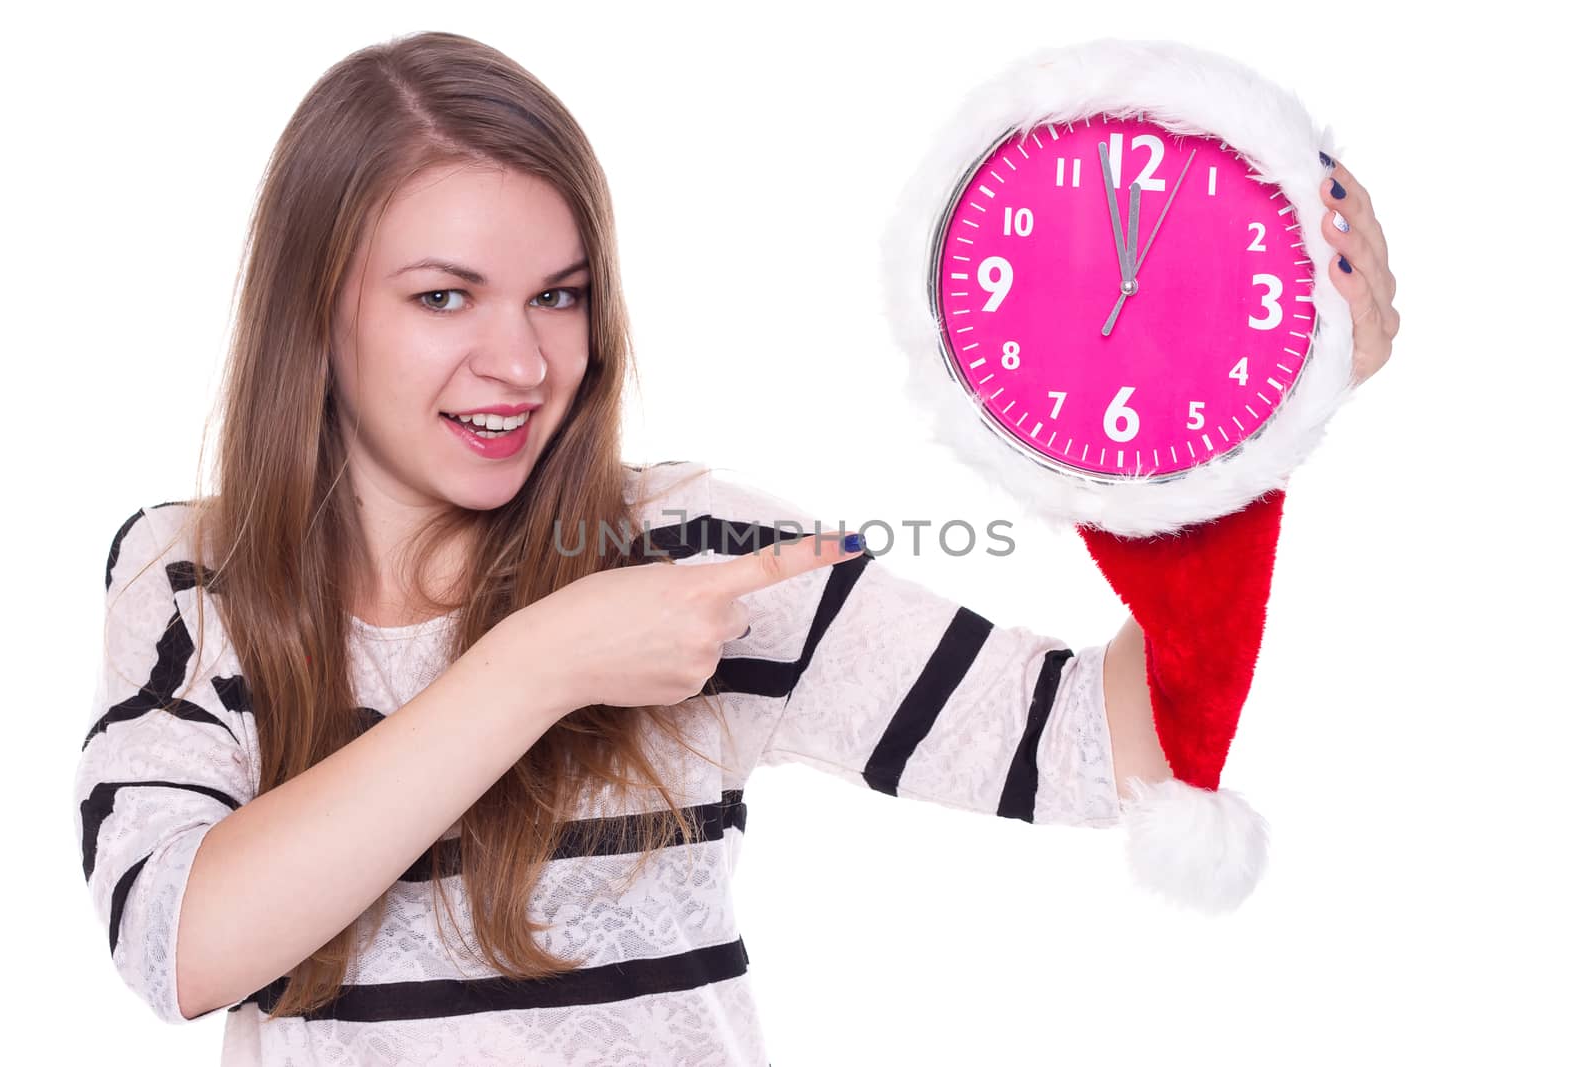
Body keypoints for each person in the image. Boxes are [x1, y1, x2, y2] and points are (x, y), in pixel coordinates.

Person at [71, 30, 1396, 1067]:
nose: (523, 361)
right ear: (317, 309)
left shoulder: (698, 555)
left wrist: (1249, 426)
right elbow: (179, 946)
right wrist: (538, 664)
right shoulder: (195, 580)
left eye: (559, 294)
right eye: (441, 297)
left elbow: (1108, 751)